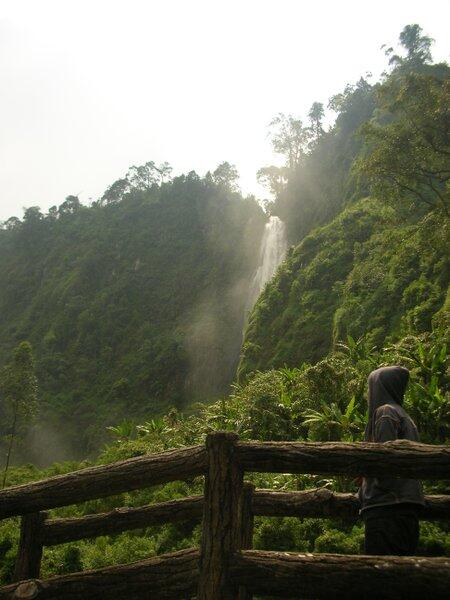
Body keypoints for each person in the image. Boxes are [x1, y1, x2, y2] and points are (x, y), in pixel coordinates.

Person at [357, 365, 425, 555]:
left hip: (386, 507)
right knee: (401, 571)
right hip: (406, 506)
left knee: (383, 574)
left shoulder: (385, 412)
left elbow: (383, 459)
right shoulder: (405, 416)